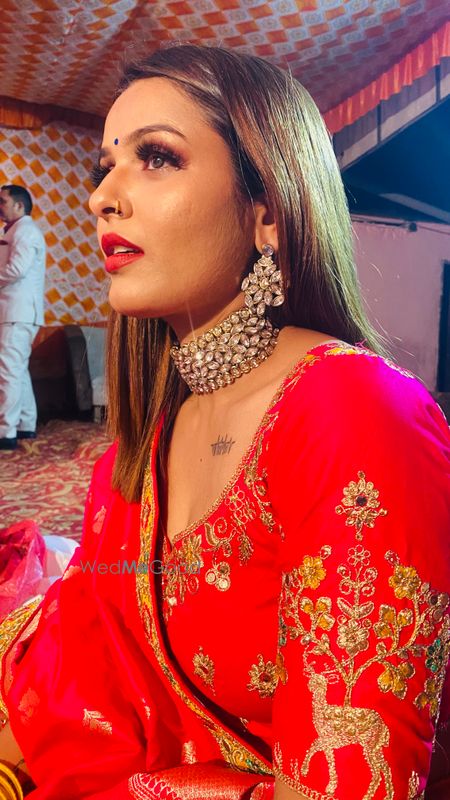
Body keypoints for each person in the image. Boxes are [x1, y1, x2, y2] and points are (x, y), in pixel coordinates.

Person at [0, 44, 449, 800]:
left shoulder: (353, 413)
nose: (101, 197)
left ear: (266, 211)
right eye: (104, 167)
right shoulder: (138, 449)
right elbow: (89, 648)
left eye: (157, 157)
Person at [0, 185, 46, 451]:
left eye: (2, 201)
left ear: (19, 206)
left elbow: (16, 269)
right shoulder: (17, 230)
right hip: (16, 313)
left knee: (7, 372)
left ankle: (5, 432)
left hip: (18, 313)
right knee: (16, 370)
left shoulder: (26, 231)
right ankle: (26, 424)